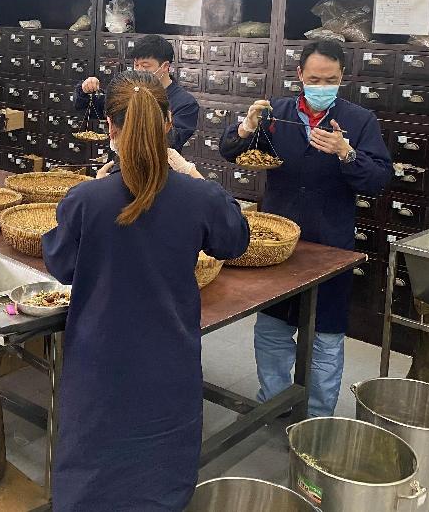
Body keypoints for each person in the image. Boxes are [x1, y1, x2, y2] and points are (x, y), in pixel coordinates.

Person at [43, 70, 250, 511]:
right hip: (167, 353)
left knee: (93, 467)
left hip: (100, 357)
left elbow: (60, 264)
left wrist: (92, 192)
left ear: (110, 127)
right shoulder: (199, 197)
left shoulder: (86, 200)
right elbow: (234, 240)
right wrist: (195, 175)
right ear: (169, 122)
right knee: (161, 467)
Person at [219, 40, 392, 417]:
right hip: (278, 242)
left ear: (342, 76)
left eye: (330, 80)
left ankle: (317, 418)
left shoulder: (360, 120)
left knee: (325, 338)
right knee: (272, 330)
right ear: (299, 75)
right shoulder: (276, 113)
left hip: (331, 245)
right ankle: (274, 403)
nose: (321, 86)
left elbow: (379, 179)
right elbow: (229, 151)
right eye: (314, 79)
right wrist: (246, 127)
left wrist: (346, 153)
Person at [74, 34, 199, 151]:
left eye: (145, 66)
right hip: (121, 161)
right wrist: (85, 90)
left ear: (165, 66)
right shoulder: (127, 90)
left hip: (157, 165)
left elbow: (172, 141)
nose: (139, 71)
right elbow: (87, 107)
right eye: (136, 65)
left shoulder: (185, 103)